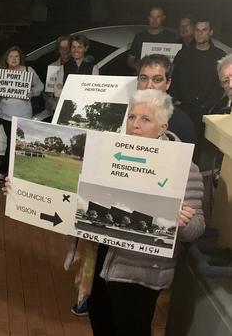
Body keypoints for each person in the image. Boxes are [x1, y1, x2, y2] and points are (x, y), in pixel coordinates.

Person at [87, 89, 205, 336]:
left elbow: (196, 229)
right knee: (101, 321)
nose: (135, 125)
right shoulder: (110, 156)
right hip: (105, 261)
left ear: (163, 127)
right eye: (131, 117)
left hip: (142, 273)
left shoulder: (184, 168)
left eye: (145, 119)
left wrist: (181, 220)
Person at [170, 18, 226, 159]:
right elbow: (174, 79)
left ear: (210, 32)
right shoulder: (183, 54)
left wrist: (209, 107)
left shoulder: (219, 56)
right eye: (197, 30)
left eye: (204, 30)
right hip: (183, 109)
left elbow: (222, 85)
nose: (200, 34)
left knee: (197, 149)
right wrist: (176, 100)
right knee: (178, 146)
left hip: (205, 111)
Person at [0, 46, 43, 183]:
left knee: (15, 144)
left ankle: (3, 172)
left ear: (20, 58)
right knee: (12, 143)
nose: (14, 59)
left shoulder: (29, 71)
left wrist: (32, 93)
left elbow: (40, 86)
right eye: (11, 57)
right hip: (6, 116)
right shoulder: (3, 73)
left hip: (23, 116)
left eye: (16, 56)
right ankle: (10, 172)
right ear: (7, 59)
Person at [137, 54, 197, 144]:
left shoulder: (182, 123)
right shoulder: (124, 115)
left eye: (157, 80)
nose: (149, 86)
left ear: (168, 83)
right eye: (144, 78)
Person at [127, 6, 176, 70]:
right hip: (144, 77)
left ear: (163, 18)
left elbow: (176, 61)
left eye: (158, 17)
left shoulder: (171, 37)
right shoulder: (139, 37)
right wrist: (140, 67)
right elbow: (130, 60)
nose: (154, 20)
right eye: (152, 17)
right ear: (148, 18)